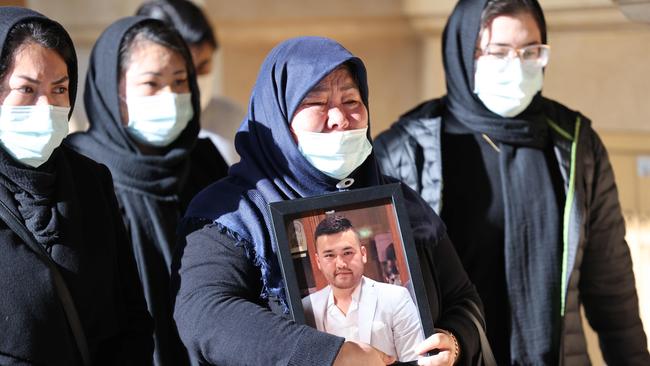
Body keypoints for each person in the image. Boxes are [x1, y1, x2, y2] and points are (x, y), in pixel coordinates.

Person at [172, 36, 484, 366]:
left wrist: (453, 340)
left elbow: (463, 298)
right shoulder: (232, 213)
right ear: (277, 118)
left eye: (351, 101)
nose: (339, 117)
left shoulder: (399, 201)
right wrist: (329, 355)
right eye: (316, 103)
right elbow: (205, 312)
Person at [374, 0, 650, 364]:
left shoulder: (573, 143)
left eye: (531, 51)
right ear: (463, 51)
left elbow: (611, 290)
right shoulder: (405, 150)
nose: (517, 65)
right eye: (499, 52)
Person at [66, 16, 228, 366]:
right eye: (152, 84)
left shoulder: (203, 161)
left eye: (181, 81)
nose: (170, 97)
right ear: (114, 91)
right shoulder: (79, 170)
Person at [0, 7, 152, 365]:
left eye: (60, 89)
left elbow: (129, 314)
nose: (47, 106)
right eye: (27, 88)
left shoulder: (89, 181)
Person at [302, 215, 424, 362]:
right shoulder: (306, 307)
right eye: (329, 255)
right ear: (318, 261)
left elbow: (416, 361)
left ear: (363, 254)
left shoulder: (396, 298)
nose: (341, 264)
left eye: (347, 253)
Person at [136, 0, 245, 165]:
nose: (195, 81)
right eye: (182, 74)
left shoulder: (236, 121)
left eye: (203, 67)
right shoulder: (136, 126)